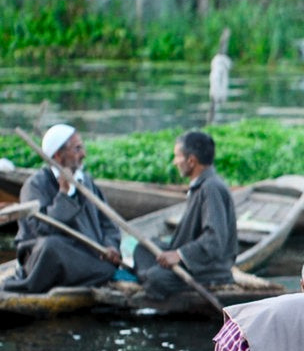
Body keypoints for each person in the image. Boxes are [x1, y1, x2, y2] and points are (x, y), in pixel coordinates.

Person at [4, 124, 123, 294]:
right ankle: (26, 286)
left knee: (108, 268)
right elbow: (42, 230)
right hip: (47, 260)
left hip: (85, 258)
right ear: (58, 155)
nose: (84, 154)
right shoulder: (36, 185)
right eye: (77, 149)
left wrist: (110, 246)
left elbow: (109, 223)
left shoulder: (86, 181)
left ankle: (81, 278)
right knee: (51, 246)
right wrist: (64, 195)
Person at [133, 131, 237, 300]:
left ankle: (148, 278)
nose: (175, 162)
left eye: (177, 157)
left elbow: (214, 240)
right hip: (194, 258)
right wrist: (176, 253)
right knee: (143, 249)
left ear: (191, 160)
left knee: (155, 277)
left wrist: (180, 255)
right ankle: (149, 275)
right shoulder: (201, 185)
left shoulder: (211, 188)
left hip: (210, 268)